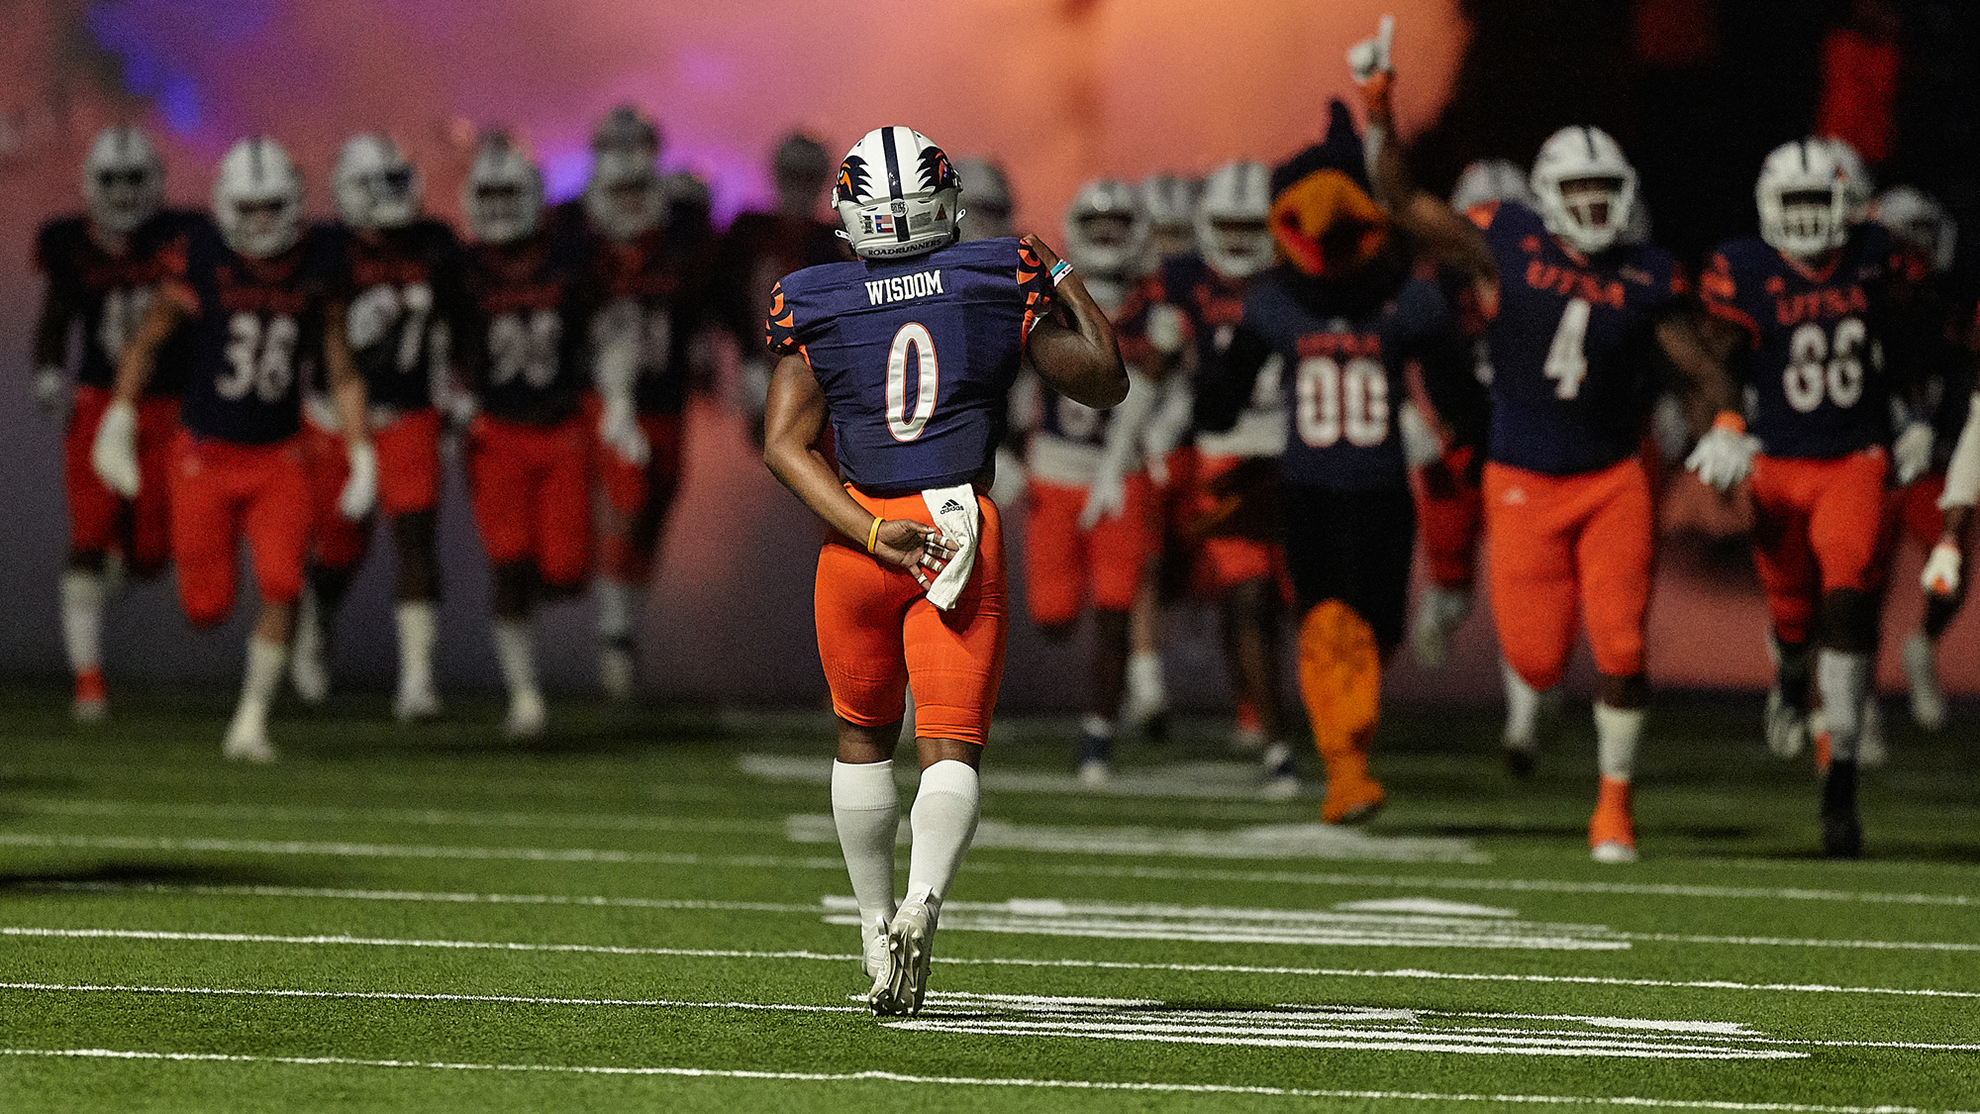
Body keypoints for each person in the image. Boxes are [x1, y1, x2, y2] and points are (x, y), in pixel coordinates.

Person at [762, 125, 1124, 1018]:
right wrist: (1066, 278)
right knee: (949, 747)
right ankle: (924, 901)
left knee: (860, 737)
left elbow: (783, 444)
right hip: (959, 528)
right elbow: (1106, 380)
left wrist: (869, 528)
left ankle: (872, 921)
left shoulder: (817, 298)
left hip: (861, 534)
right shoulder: (991, 281)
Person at [1355, 28, 1743, 861]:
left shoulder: (1645, 273)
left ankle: (1613, 809)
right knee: (1534, 659)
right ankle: (1538, 708)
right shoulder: (1509, 244)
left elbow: (1702, 369)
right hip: (1522, 478)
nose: (1597, 204)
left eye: (1608, 189)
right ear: (1550, 193)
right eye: (1582, 188)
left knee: (1624, 646)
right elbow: (1402, 202)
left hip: (1612, 479)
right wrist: (1379, 110)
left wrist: (1730, 424)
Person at [1196, 104, 1464, 825]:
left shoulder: (1403, 302)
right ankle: (1344, 769)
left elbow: (1452, 384)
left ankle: (1348, 751)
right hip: (1311, 490)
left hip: (1381, 489)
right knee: (1326, 625)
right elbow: (1223, 397)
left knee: (1380, 630)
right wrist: (1210, 403)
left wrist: (1467, 423)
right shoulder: (1278, 304)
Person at [91, 136, 374, 761]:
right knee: (206, 607)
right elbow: (148, 339)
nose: (263, 222)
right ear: (225, 208)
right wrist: (118, 414)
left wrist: (362, 450)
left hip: (280, 454)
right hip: (204, 455)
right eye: (250, 210)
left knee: (281, 581)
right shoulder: (203, 257)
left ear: (295, 203)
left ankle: (250, 722)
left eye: (273, 207)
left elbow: (340, 362)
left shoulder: (321, 261)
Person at [1693, 138, 1928, 857]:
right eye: (1790, 204)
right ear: (1768, 207)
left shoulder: (1877, 254)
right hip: (1776, 463)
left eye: (1815, 202)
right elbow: (1723, 356)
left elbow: (1913, 340)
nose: (1803, 219)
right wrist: (1728, 422)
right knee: (1793, 614)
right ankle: (1791, 675)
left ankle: (1842, 781)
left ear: (1843, 204)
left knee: (1850, 599)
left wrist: (1917, 415)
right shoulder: (1744, 268)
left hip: (1854, 460)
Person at [1117, 159, 1297, 787]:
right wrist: (1123, 449)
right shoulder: (1186, 281)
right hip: (1224, 455)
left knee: (1302, 601)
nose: (1243, 241)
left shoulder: (1296, 276)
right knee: (1246, 596)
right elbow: (1154, 374)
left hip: (1301, 452)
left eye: (1253, 226)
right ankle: (1277, 743)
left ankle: (1310, 719)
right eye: (1229, 225)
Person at [289, 133, 463, 721]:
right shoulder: (323, 248)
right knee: (337, 549)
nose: (394, 197)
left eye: (397, 181)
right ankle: (318, 619)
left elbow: (463, 320)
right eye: (378, 185)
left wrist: (460, 388)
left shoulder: (435, 244)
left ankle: (416, 680)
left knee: (416, 538)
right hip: (332, 418)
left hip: (409, 411)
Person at [32, 125, 191, 722]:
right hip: (99, 401)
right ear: (90, 184)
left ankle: (109, 589)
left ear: (155, 182)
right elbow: (55, 315)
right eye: (111, 179)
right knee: (89, 534)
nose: (123, 192)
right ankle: (88, 681)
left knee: (152, 553)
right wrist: (48, 370)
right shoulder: (71, 243)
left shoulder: (183, 237)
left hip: (166, 406)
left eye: (134, 179)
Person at [452, 133, 598, 740]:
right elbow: (438, 339)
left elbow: (604, 333)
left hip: (561, 426)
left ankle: (529, 673)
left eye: (510, 192)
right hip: (494, 430)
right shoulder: (459, 266)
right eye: (488, 193)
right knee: (508, 564)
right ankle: (525, 695)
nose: (500, 205)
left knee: (567, 572)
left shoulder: (569, 257)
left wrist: (611, 402)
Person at [1019, 179, 1160, 785]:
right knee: (1051, 617)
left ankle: (1098, 738)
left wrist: (1133, 457)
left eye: (1116, 226)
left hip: (1119, 477)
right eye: (1095, 226)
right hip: (1054, 470)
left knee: (1115, 610)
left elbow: (1165, 392)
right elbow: (1015, 387)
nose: (1105, 238)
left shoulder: (1155, 306)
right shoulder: (1045, 303)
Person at [573, 112, 710, 700]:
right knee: (624, 502)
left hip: (666, 397)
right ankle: (613, 638)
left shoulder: (683, 227)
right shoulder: (573, 232)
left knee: (655, 507)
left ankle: (621, 624)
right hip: (598, 397)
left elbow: (709, 298)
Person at [1870, 186, 1968, 732]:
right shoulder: (1861, 300)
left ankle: (1923, 645)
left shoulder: (1948, 308)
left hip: (1933, 463)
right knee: (1864, 583)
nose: (1915, 254)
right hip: (1874, 462)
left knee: (1950, 570)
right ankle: (1855, 696)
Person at [710, 131, 851, 441]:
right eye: (792, 176)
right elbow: (719, 297)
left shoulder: (832, 241)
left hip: (818, 375)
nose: (799, 187)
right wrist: (741, 357)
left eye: (808, 177)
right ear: (777, 176)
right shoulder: (748, 232)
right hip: (756, 370)